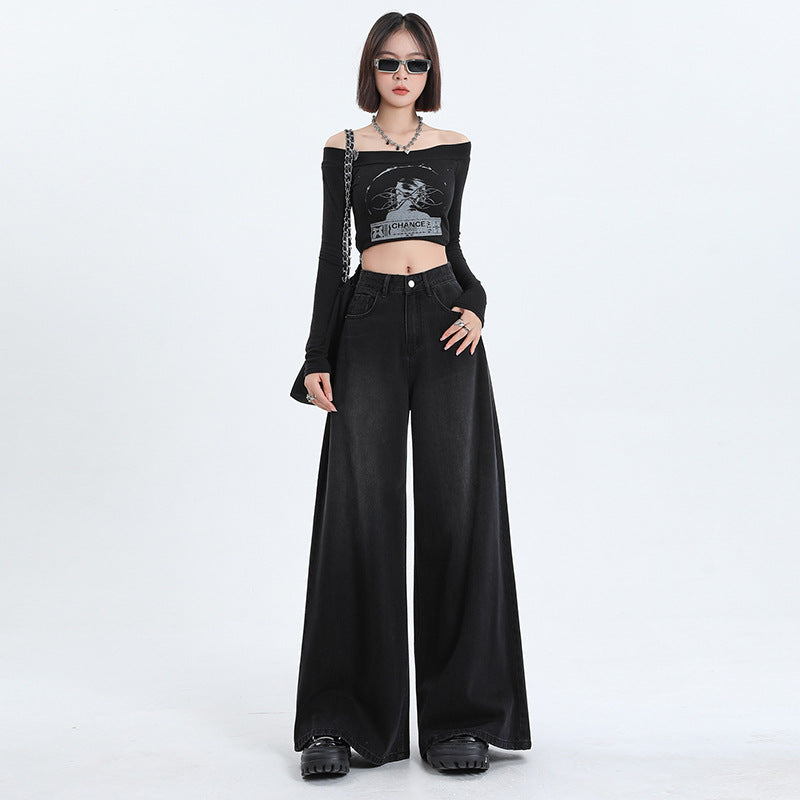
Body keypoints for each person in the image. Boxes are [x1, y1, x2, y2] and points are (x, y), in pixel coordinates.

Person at [293, 12, 532, 777]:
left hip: (443, 321)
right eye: (390, 63)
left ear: (431, 71)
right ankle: (342, 722)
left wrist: (477, 305)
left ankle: (463, 718)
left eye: (416, 64)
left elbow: (453, 244)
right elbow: (333, 253)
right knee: (359, 513)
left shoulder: (454, 145)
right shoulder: (344, 148)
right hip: (364, 321)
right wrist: (316, 353)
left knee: (458, 507)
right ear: (371, 69)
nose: (403, 75)